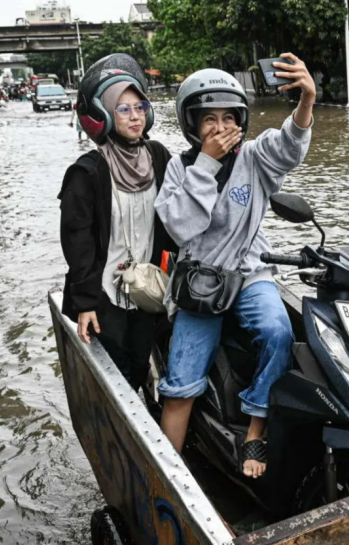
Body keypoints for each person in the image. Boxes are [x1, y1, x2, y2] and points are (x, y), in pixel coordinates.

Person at [155, 53, 315, 480]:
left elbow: (288, 147)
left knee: (279, 331)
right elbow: (181, 227)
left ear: (242, 120)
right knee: (181, 382)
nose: (220, 128)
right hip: (201, 281)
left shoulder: (255, 157)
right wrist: (206, 163)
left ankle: (255, 428)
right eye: (208, 119)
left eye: (229, 117)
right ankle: (166, 473)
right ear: (191, 124)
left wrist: (305, 102)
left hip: (249, 272)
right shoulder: (180, 167)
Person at [59, 53, 172, 393]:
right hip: (104, 293)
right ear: (104, 115)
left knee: (139, 363)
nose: (135, 116)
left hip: (146, 286)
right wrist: (85, 304)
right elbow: (77, 243)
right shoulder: (87, 172)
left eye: (140, 107)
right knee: (115, 369)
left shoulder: (159, 157)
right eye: (123, 109)